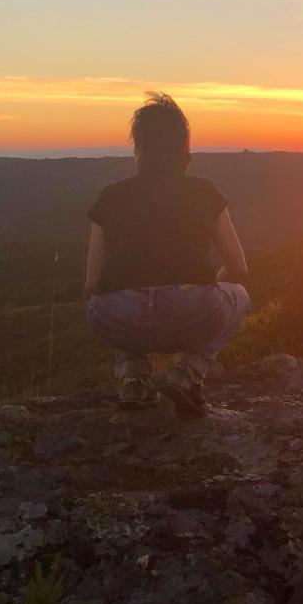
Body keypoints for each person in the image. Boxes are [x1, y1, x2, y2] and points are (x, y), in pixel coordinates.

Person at [84, 92, 250, 416]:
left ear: (138, 147)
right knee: (240, 296)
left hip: (116, 317)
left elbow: (92, 283)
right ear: (184, 150)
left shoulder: (109, 197)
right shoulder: (205, 191)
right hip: (192, 309)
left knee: (110, 298)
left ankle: (132, 377)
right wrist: (203, 288)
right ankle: (187, 372)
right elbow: (239, 268)